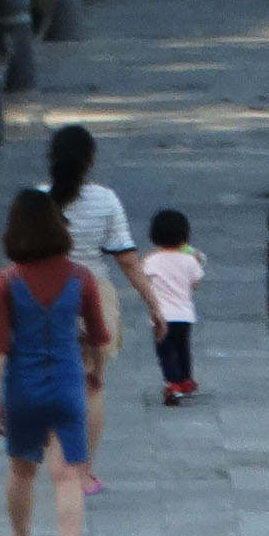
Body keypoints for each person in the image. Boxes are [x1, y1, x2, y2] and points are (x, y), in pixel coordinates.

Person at [0, 190, 109, 536]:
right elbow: (99, 336)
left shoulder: (6, 281)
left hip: (24, 386)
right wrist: (96, 374)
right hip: (69, 384)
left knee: (22, 471)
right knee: (69, 474)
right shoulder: (81, 278)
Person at [46, 126, 155, 489]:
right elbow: (126, 259)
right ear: (90, 161)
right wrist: (155, 306)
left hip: (47, 298)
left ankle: (56, 461)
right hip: (93, 293)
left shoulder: (37, 200)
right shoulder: (105, 200)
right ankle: (83, 472)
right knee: (92, 384)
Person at [142, 208, 203, 405]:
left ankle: (171, 382)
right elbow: (195, 284)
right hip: (184, 314)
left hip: (161, 314)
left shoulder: (151, 260)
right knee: (182, 346)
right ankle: (185, 379)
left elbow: (144, 281)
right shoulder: (189, 260)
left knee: (165, 350)